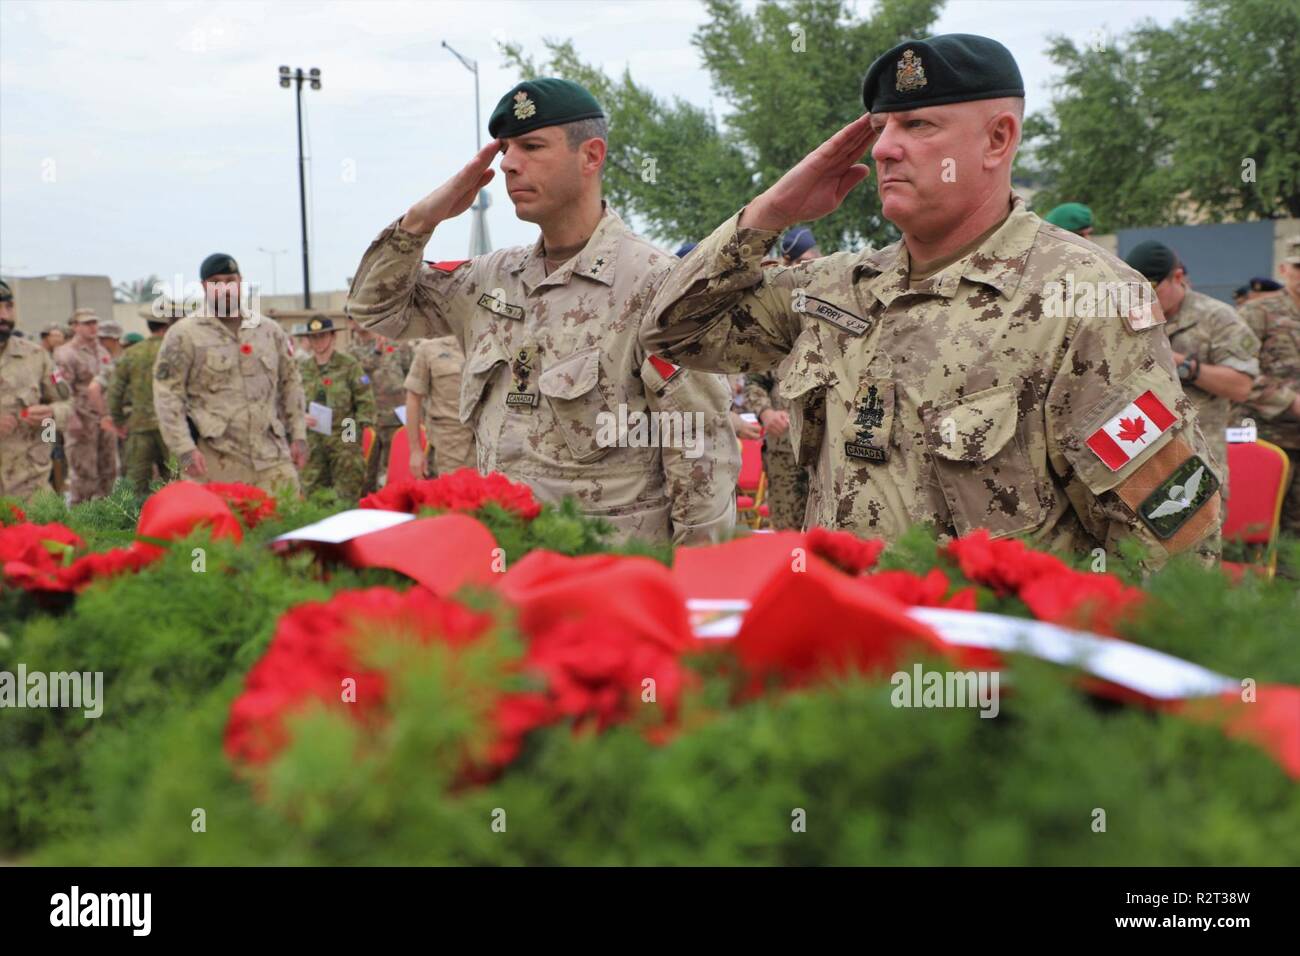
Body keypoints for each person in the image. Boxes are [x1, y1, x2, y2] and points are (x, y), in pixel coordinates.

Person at [642, 33, 1222, 568]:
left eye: (918, 126)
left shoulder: (1086, 299)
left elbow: (1172, 547)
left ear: (998, 139)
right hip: (843, 661)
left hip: (986, 670)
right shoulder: (836, 289)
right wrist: (772, 212)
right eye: (881, 129)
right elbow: (673, 331)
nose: (885, 150)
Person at [349, 77, 739, 545]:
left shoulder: (657, 285)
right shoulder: (490, 280)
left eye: (532, 146)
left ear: (591, 156)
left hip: (603, 580)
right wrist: (421, 221)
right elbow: (374, 308)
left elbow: (701, 457)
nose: (511, 164)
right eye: (506, 150)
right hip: (503, 568)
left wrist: (688, 591)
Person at [153, 253, 308, 494]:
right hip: (214, 462)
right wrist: (183, 450)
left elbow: (291, 384)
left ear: (240, 282)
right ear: (204, 287)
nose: (224, 288)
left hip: (271, 456)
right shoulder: (184, 334)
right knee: (220, 530)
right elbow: (167, 395)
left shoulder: (268, 330)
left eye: (230, 280)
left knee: (288, 525)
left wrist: (299, 434)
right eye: (216, 282)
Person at [1124, 241, 1259, 497]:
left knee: (1197, 535)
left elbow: (1241, 386)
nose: (1144, 298)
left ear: (1177, 277)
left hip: (1198, 460)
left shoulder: (1218, 317)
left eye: (1152, 289)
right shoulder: (1132, 319)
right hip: (1140, 461)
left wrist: (1180, 365)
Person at [1234, 236, 1300, 537]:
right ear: (1285, 269)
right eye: (1299, 267)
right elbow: (1236, 371)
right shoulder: (1258, 312)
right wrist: (1289, 401)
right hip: (1265, 438)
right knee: (1254, 528)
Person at [0, 280, 71, 500]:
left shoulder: (37, 357)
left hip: (31, 489)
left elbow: (68, 405)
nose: (4, 315)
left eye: (9, 307)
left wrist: (50, 418)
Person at [105, 299, 184, 493]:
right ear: (171, 323)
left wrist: (119, 421)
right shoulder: (180, 351)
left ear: (149, 324)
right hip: (173, 427)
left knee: (136, 484)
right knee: (176, 482)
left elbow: (114, 392)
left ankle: (135, 522)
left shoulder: (131, 353)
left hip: (138, 428)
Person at [298, 316, 375, 500]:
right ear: (308, 340)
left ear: (333, 337)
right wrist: (301, 416)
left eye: (323, 336)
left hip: (344, 433)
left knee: (347, 491)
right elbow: (291, 402)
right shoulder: (302, 369)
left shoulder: (349, 364)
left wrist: (351, 438)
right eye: (314, 337)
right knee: (313, 494)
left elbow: (365, 400)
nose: (318, 341)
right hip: (313, 437)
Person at [54, 308, 117, 502]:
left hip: (103, 416)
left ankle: (105, 515)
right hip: (80, 417)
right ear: (74, 326)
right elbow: (61, 389)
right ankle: (82, 517)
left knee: (109, 468)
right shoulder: (65, 353)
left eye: (95, 322)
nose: (93, 327)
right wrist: (71, 418)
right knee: (84, 472)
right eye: (87, 323)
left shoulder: (102, 350)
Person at [347, 316, 414, 491]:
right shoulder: (350, 352)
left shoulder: (397, 345)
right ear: (349, 323)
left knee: (395, 469)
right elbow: (355, 379)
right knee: (367, 471)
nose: (356, 320)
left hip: (395, 418)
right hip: (368, 420)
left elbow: (411, 376)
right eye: (350, 317)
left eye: (358, 316)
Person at [403, 335, 476, 478]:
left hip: (492, 449)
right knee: (452, 498)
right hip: (450, 448)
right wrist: (415, 450)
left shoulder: (493, 342)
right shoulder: (429, 349)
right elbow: (413, 398)